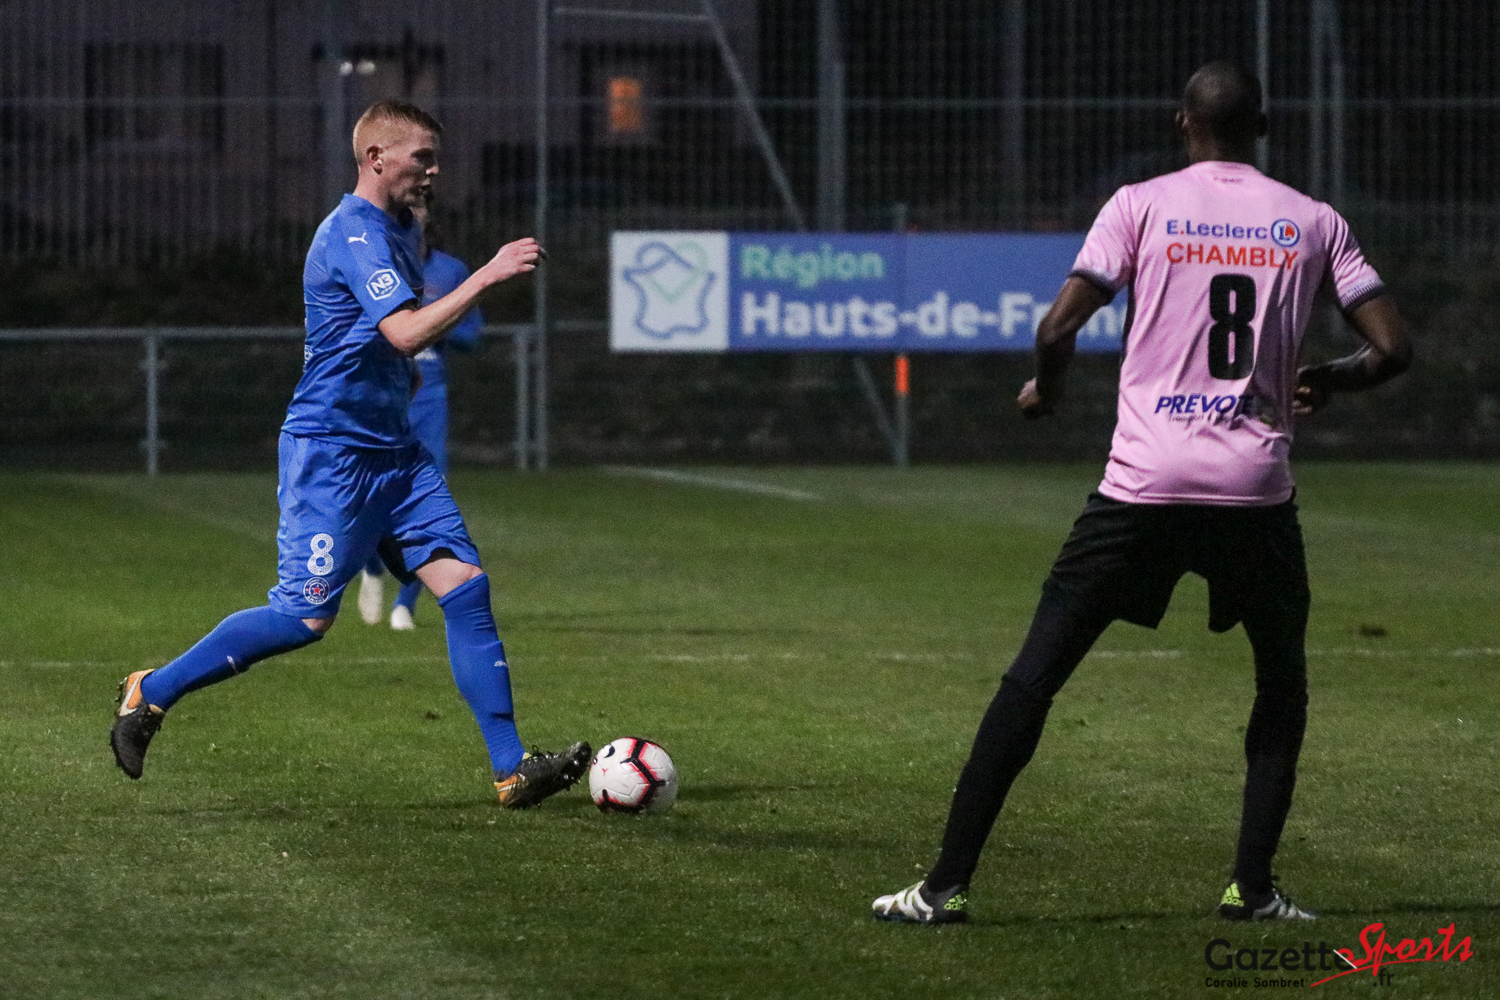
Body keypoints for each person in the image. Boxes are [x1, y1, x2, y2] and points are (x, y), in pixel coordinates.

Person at [872, 62, 1411, 924]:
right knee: (1281, 688)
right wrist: (1331, 379)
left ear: (1181, 122)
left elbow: (1057, 326)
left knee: (1034, 678)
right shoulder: (1314, 220)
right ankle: (1251, 888)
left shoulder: (1141, 205)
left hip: (1142, 488)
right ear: (1262, 128)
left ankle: (944, 887)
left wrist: (1047, 389)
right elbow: (1392, 348)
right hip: (1253, 492)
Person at [111, 100, 590, 809]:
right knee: (303, 620)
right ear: (376, 158)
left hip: (395, 454)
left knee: (465, 585)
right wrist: (487, 274)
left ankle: (512, 767)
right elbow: (403, 333)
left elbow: (385, 347)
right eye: (422, 156)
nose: (434, 170)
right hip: (332, 454)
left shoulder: (398, 229)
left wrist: (401, 383)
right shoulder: (353, 233)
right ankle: (151, 691)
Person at [356, 192, 482, 631]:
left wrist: (435, 321)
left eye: (422, 204)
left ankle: (404, 606)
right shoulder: (373, 261)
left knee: (430, 497)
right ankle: (373, 565)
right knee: (374, 496)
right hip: (383, 394)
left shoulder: (450, 270)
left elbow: (472, 334)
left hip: (430, 397)